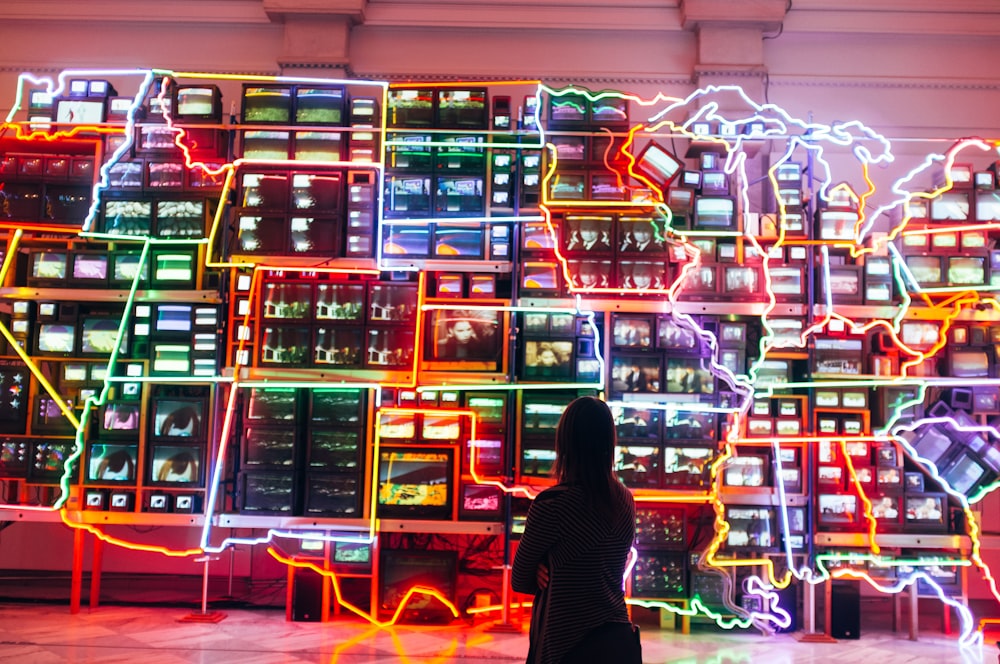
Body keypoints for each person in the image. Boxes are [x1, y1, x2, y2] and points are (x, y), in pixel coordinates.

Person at [512, 396, 640, 664]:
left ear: (565, 442)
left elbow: (520, 579)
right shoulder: (625, 499)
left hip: (566, 643)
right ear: (609, 443)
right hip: (616, 638)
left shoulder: (553, 504)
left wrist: (541, 567)